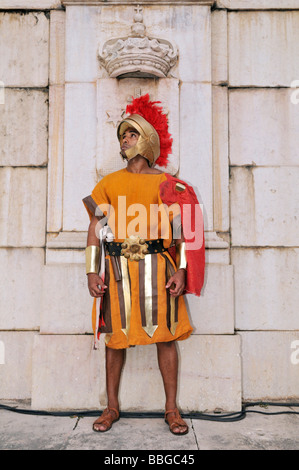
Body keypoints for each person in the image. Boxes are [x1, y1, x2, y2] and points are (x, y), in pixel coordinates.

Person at [83, 94, 205, 435]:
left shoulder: (169, 185)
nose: (125, 139)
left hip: (159, 271)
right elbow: (95, 230)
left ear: (147, 139)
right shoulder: (108, 184)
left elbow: (182, 234)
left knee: (165, 337)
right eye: (123, 135)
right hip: (119, 272)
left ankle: (171, 409)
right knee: (115, 341)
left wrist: (181, 269)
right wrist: (93, 270)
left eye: (132, 133)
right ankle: (111, 407)